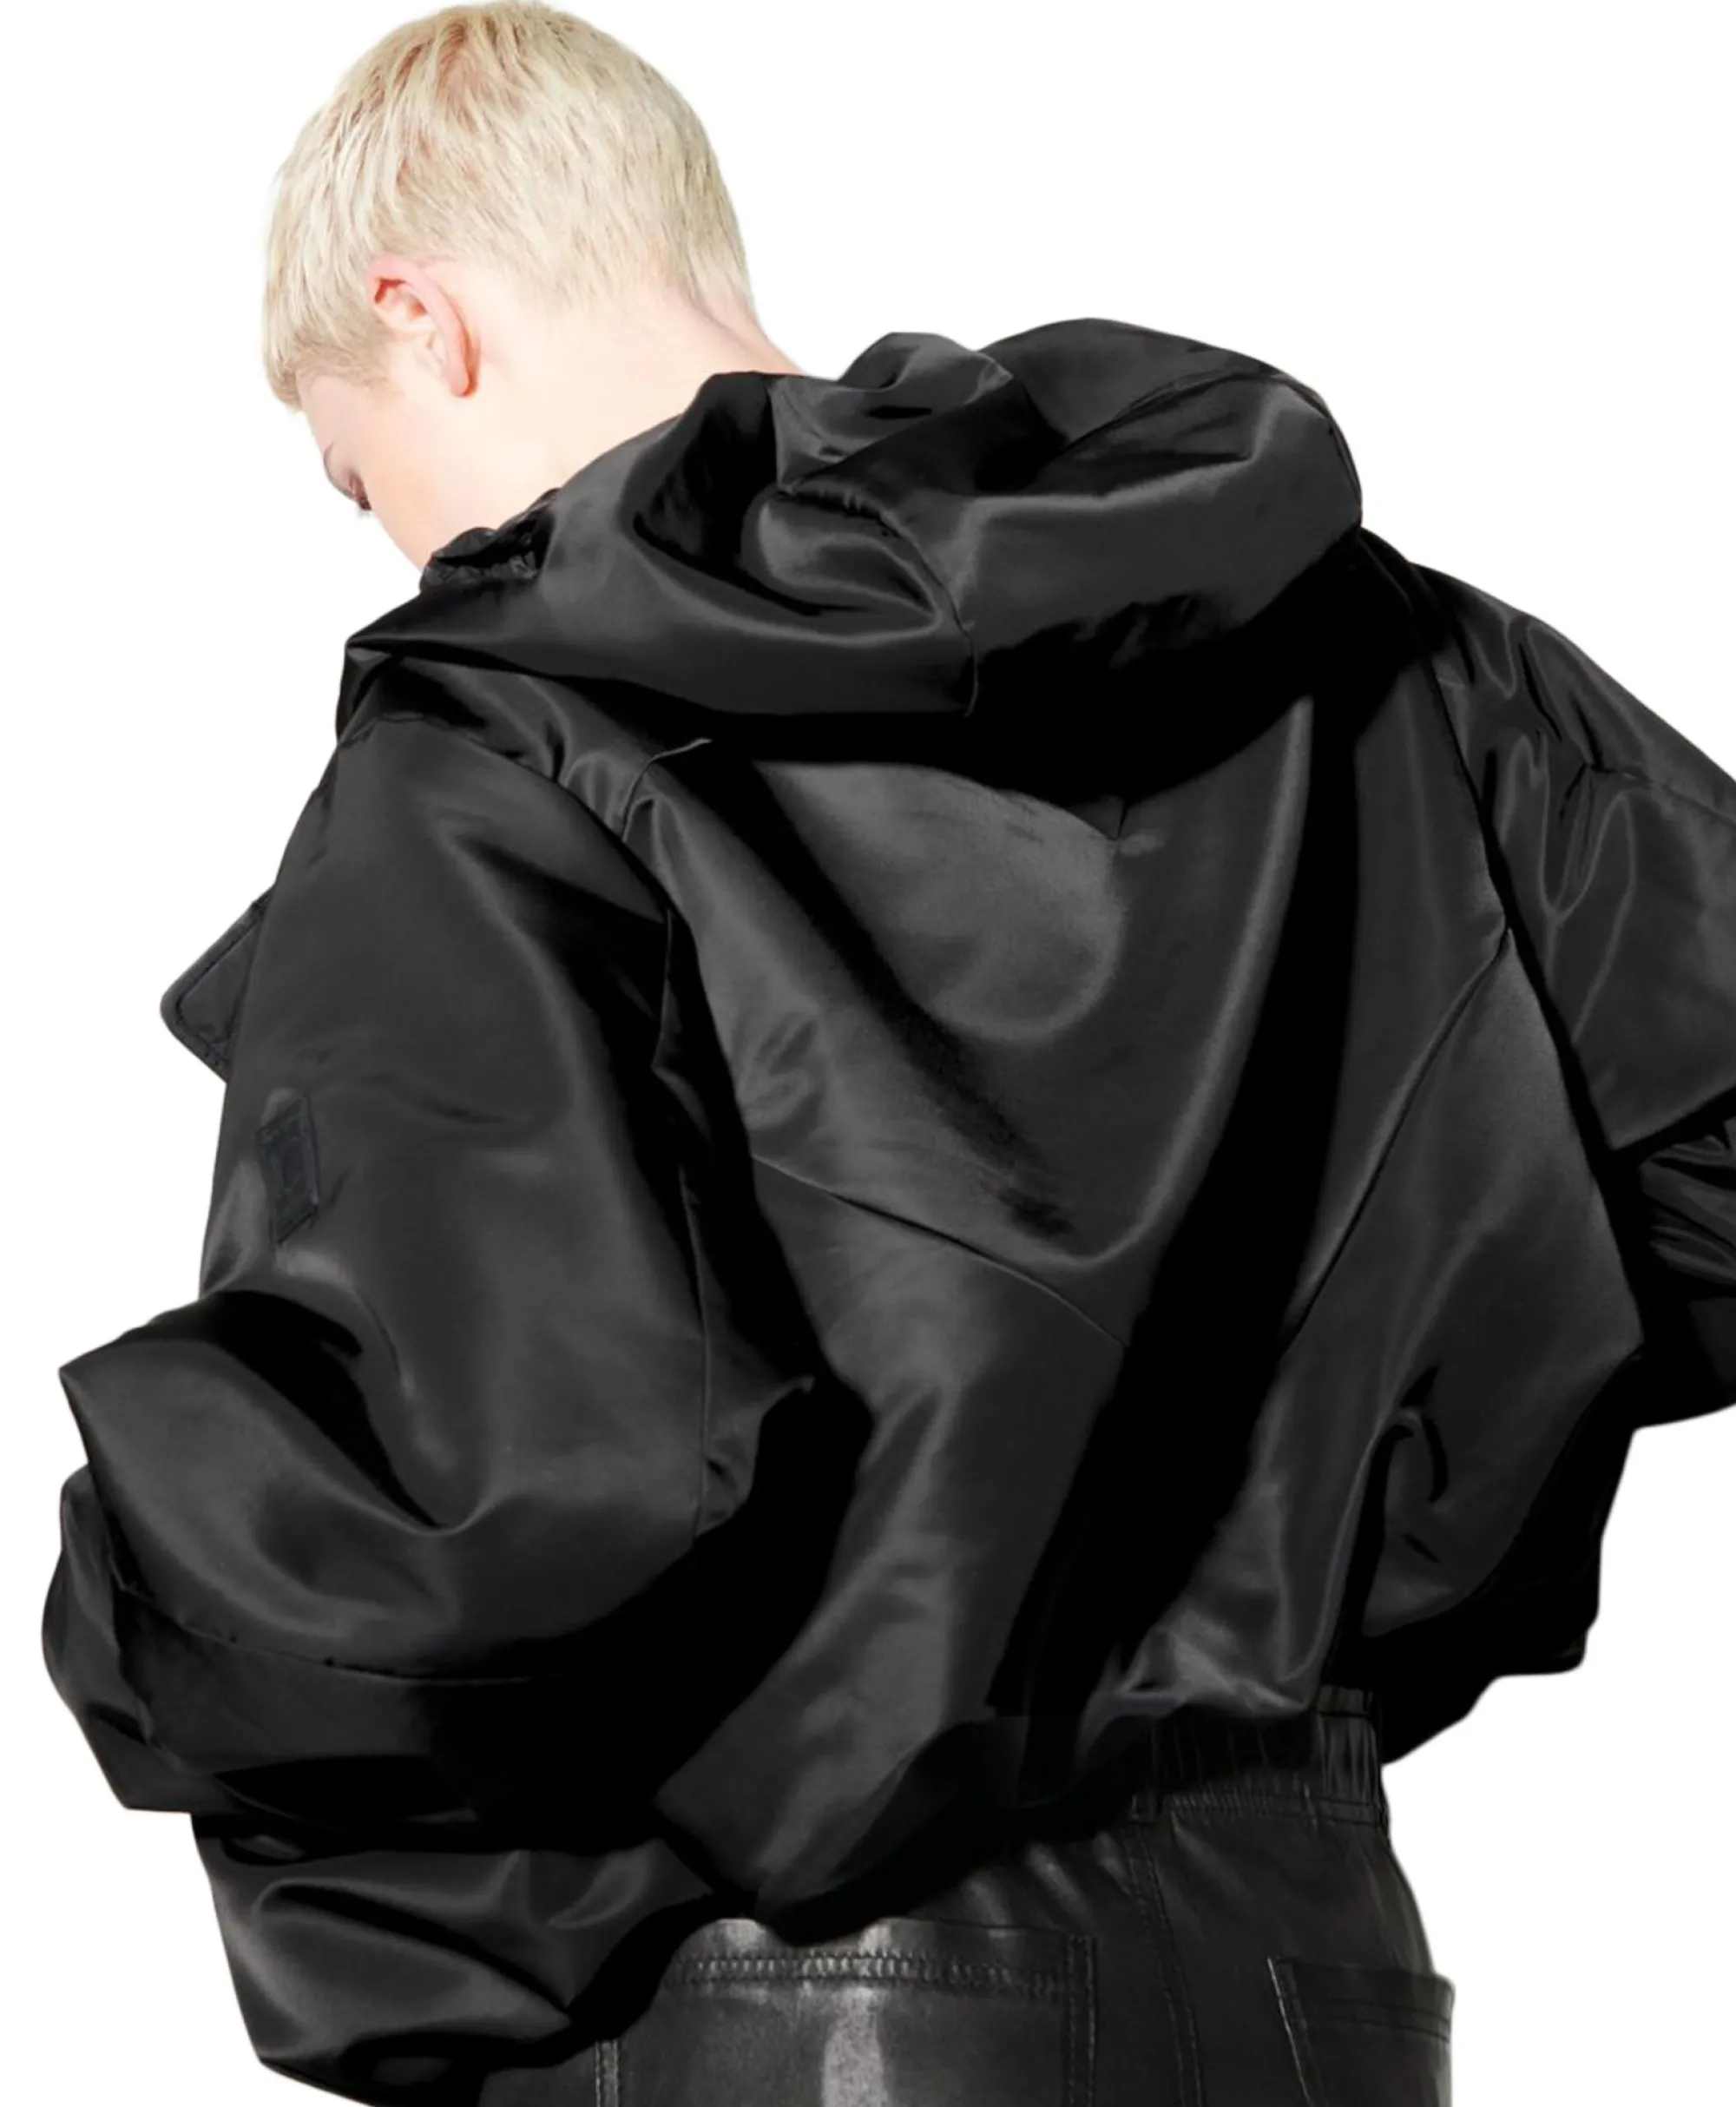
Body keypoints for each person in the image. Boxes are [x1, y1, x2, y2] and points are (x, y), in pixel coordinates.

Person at [40, 4, 1736, 2103]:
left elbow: (485, 1509)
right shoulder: (1364, 643)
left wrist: (125, 1594)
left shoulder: (495, 742)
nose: (392, 540)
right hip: (1316, 1976)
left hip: (780, 2010)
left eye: (353, 470)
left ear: (424, 317)